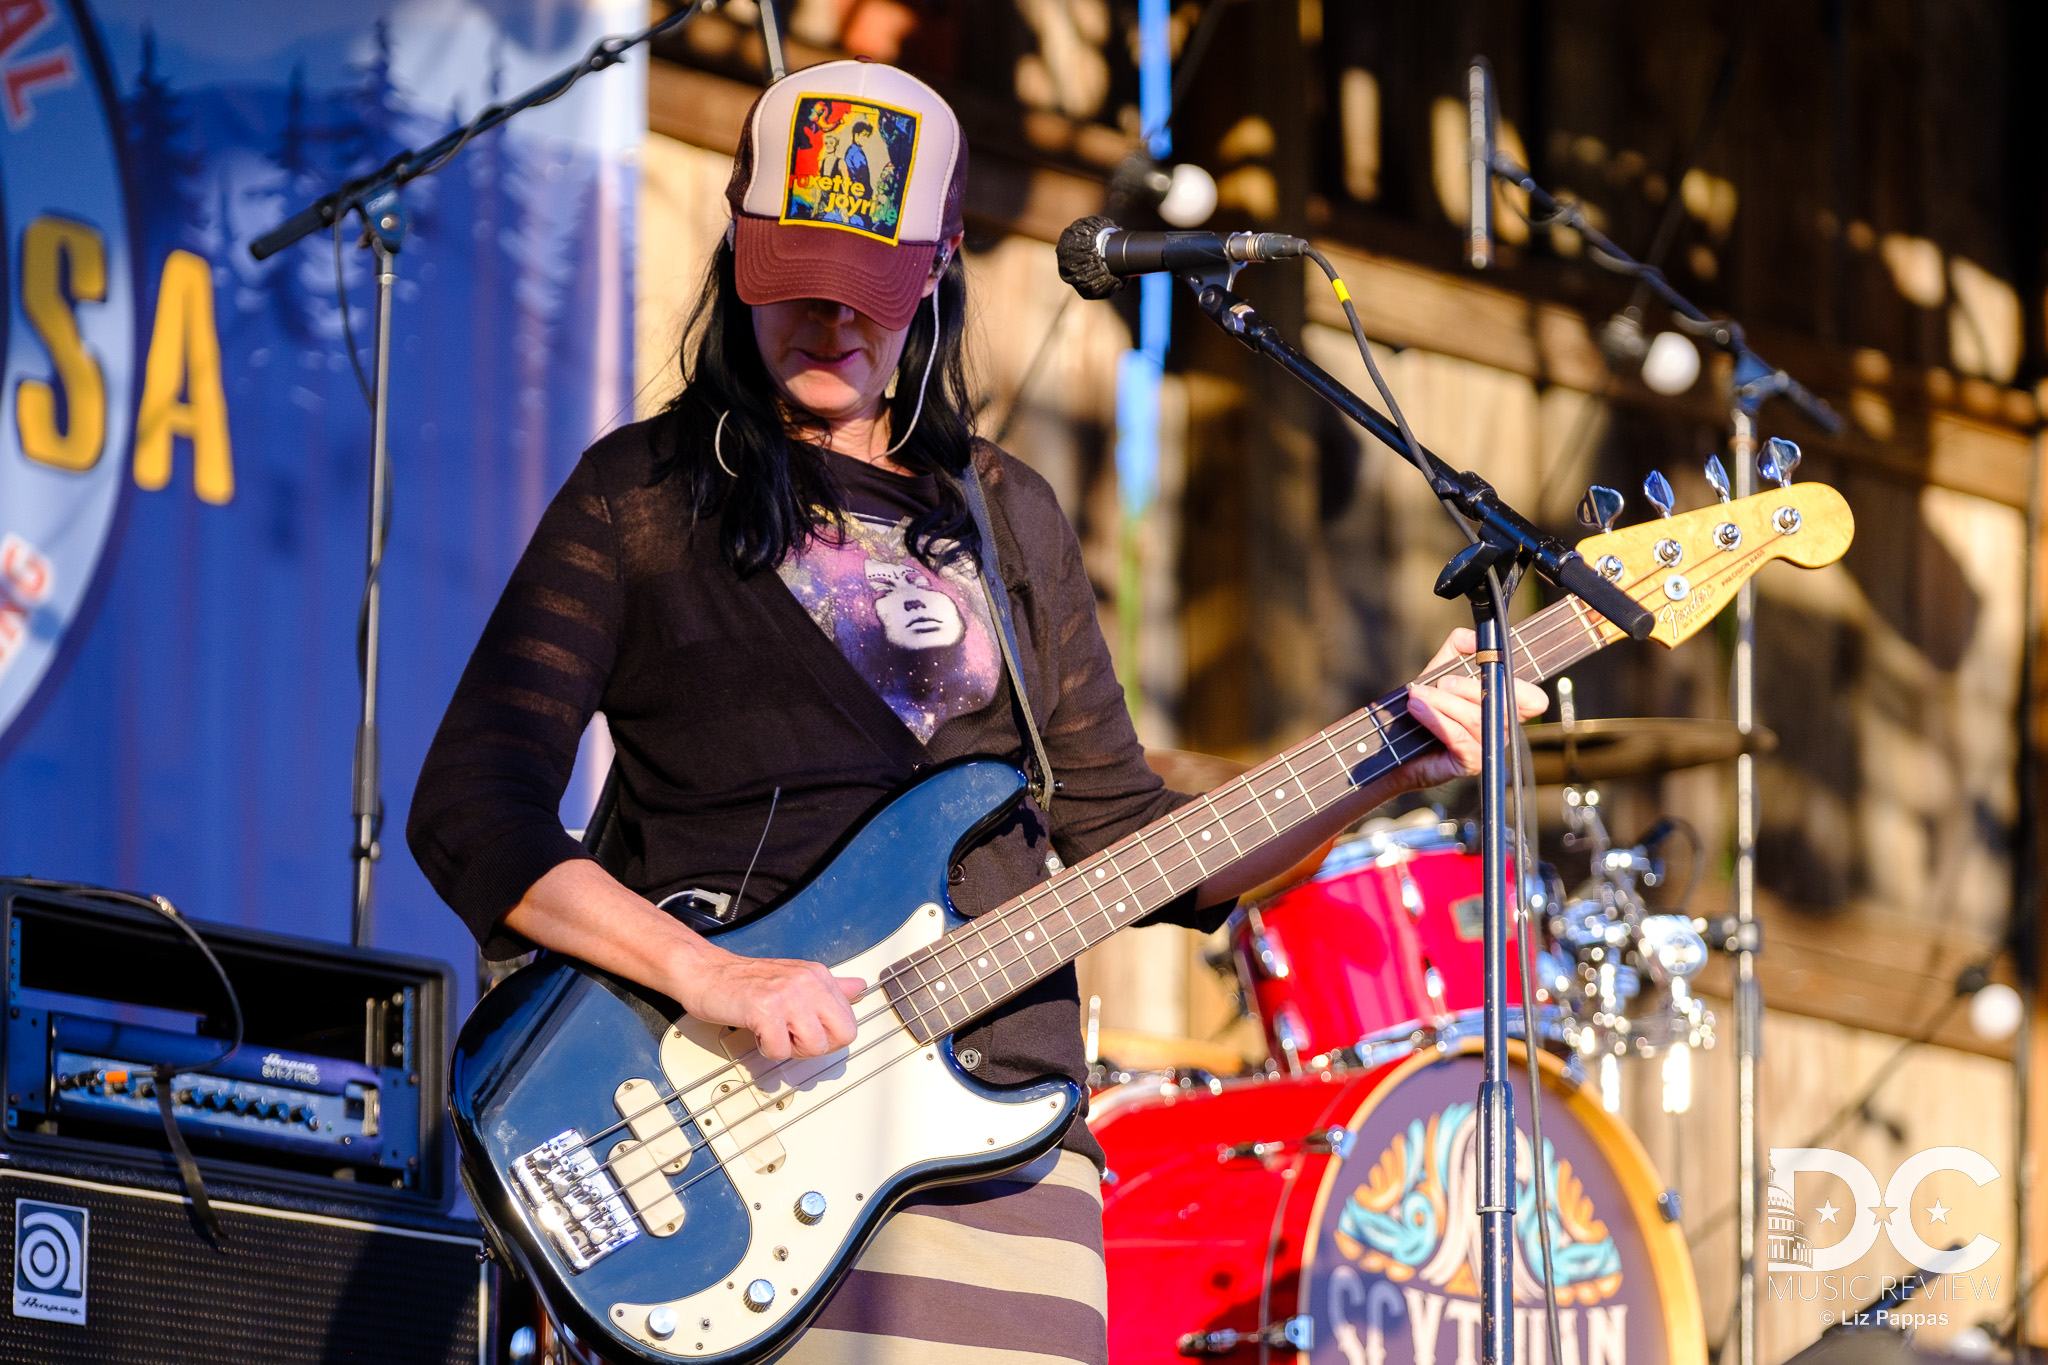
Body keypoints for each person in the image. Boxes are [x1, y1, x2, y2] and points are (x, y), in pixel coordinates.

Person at [408, 58, 1544, 1365]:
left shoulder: (1007, 517)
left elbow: (1134, 841)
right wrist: (712, 975)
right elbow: (473, 808)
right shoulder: (646, 496)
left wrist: (1395, 753)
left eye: (869, 287)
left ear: (939, 268)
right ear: (738, 252)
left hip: (1001, 1145)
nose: (831, 317)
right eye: (797, 278)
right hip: (725, 1130)